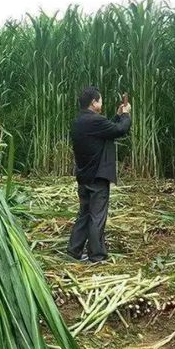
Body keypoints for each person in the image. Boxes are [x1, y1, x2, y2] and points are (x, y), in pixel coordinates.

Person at [66, 86, 132, 263]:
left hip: (84, 176)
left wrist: (117, 116)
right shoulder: (95, 121)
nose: (101, 103)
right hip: (97, 177)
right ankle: (97, 255)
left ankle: (73, 251)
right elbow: (119, 130)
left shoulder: (79, 121)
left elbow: (107, 130)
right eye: (100, 100)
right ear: (93, 102)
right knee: (97, 216)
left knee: (85, 214)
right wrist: (126, 115)